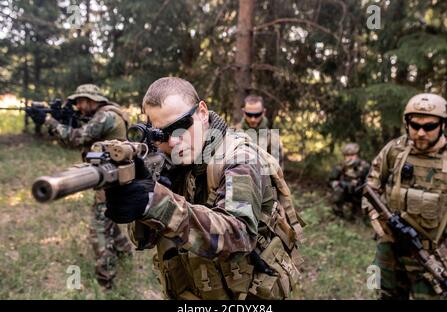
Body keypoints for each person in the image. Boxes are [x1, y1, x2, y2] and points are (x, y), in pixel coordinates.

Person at [104, 77, 305, 300]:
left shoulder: (240, 159)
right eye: (161, 134)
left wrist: (157, 202)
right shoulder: (173, 161)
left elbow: (238, 234)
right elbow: (145, 241)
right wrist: (137, 201)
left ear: (202, 112)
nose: (173, 142)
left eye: (180, 127)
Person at [45, 84, 133, 289]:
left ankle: (106, 282)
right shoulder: (109, 113)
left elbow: (77, 138)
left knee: (98, 230)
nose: (78, 106)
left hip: (109, 177)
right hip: (110, 177)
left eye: (81, 101)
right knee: (107, 216)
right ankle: (125, 250)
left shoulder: (105, 116)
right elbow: (73, 141)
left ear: (92, 100)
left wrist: (50, 122)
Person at [363, 93, 447, 299]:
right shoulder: (395, 150)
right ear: (406, 123)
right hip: (390, 246)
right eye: (414, 125)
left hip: (433, 254)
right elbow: (370, 187)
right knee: (381, 291)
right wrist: (378, 222)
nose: (421, 133)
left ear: (442, 125)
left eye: (429, 127)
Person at [235, 95, 283, 167]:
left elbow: (278, 172)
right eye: (249, 115)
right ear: (244, 112)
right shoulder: (232, 134)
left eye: (257, 115)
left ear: (263, 112)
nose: (253, 119)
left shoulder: (273, 139)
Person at [329, 143, 370, 220]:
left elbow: (371, 181)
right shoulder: (340, 166)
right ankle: (338, 215)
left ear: (357, 155)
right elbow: (331, 180)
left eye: (352, 155)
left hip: (360, 194)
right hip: (346, 192)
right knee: (338, 190)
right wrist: (340, 184)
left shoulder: (365, 166)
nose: (350, 157)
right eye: (347, 155)